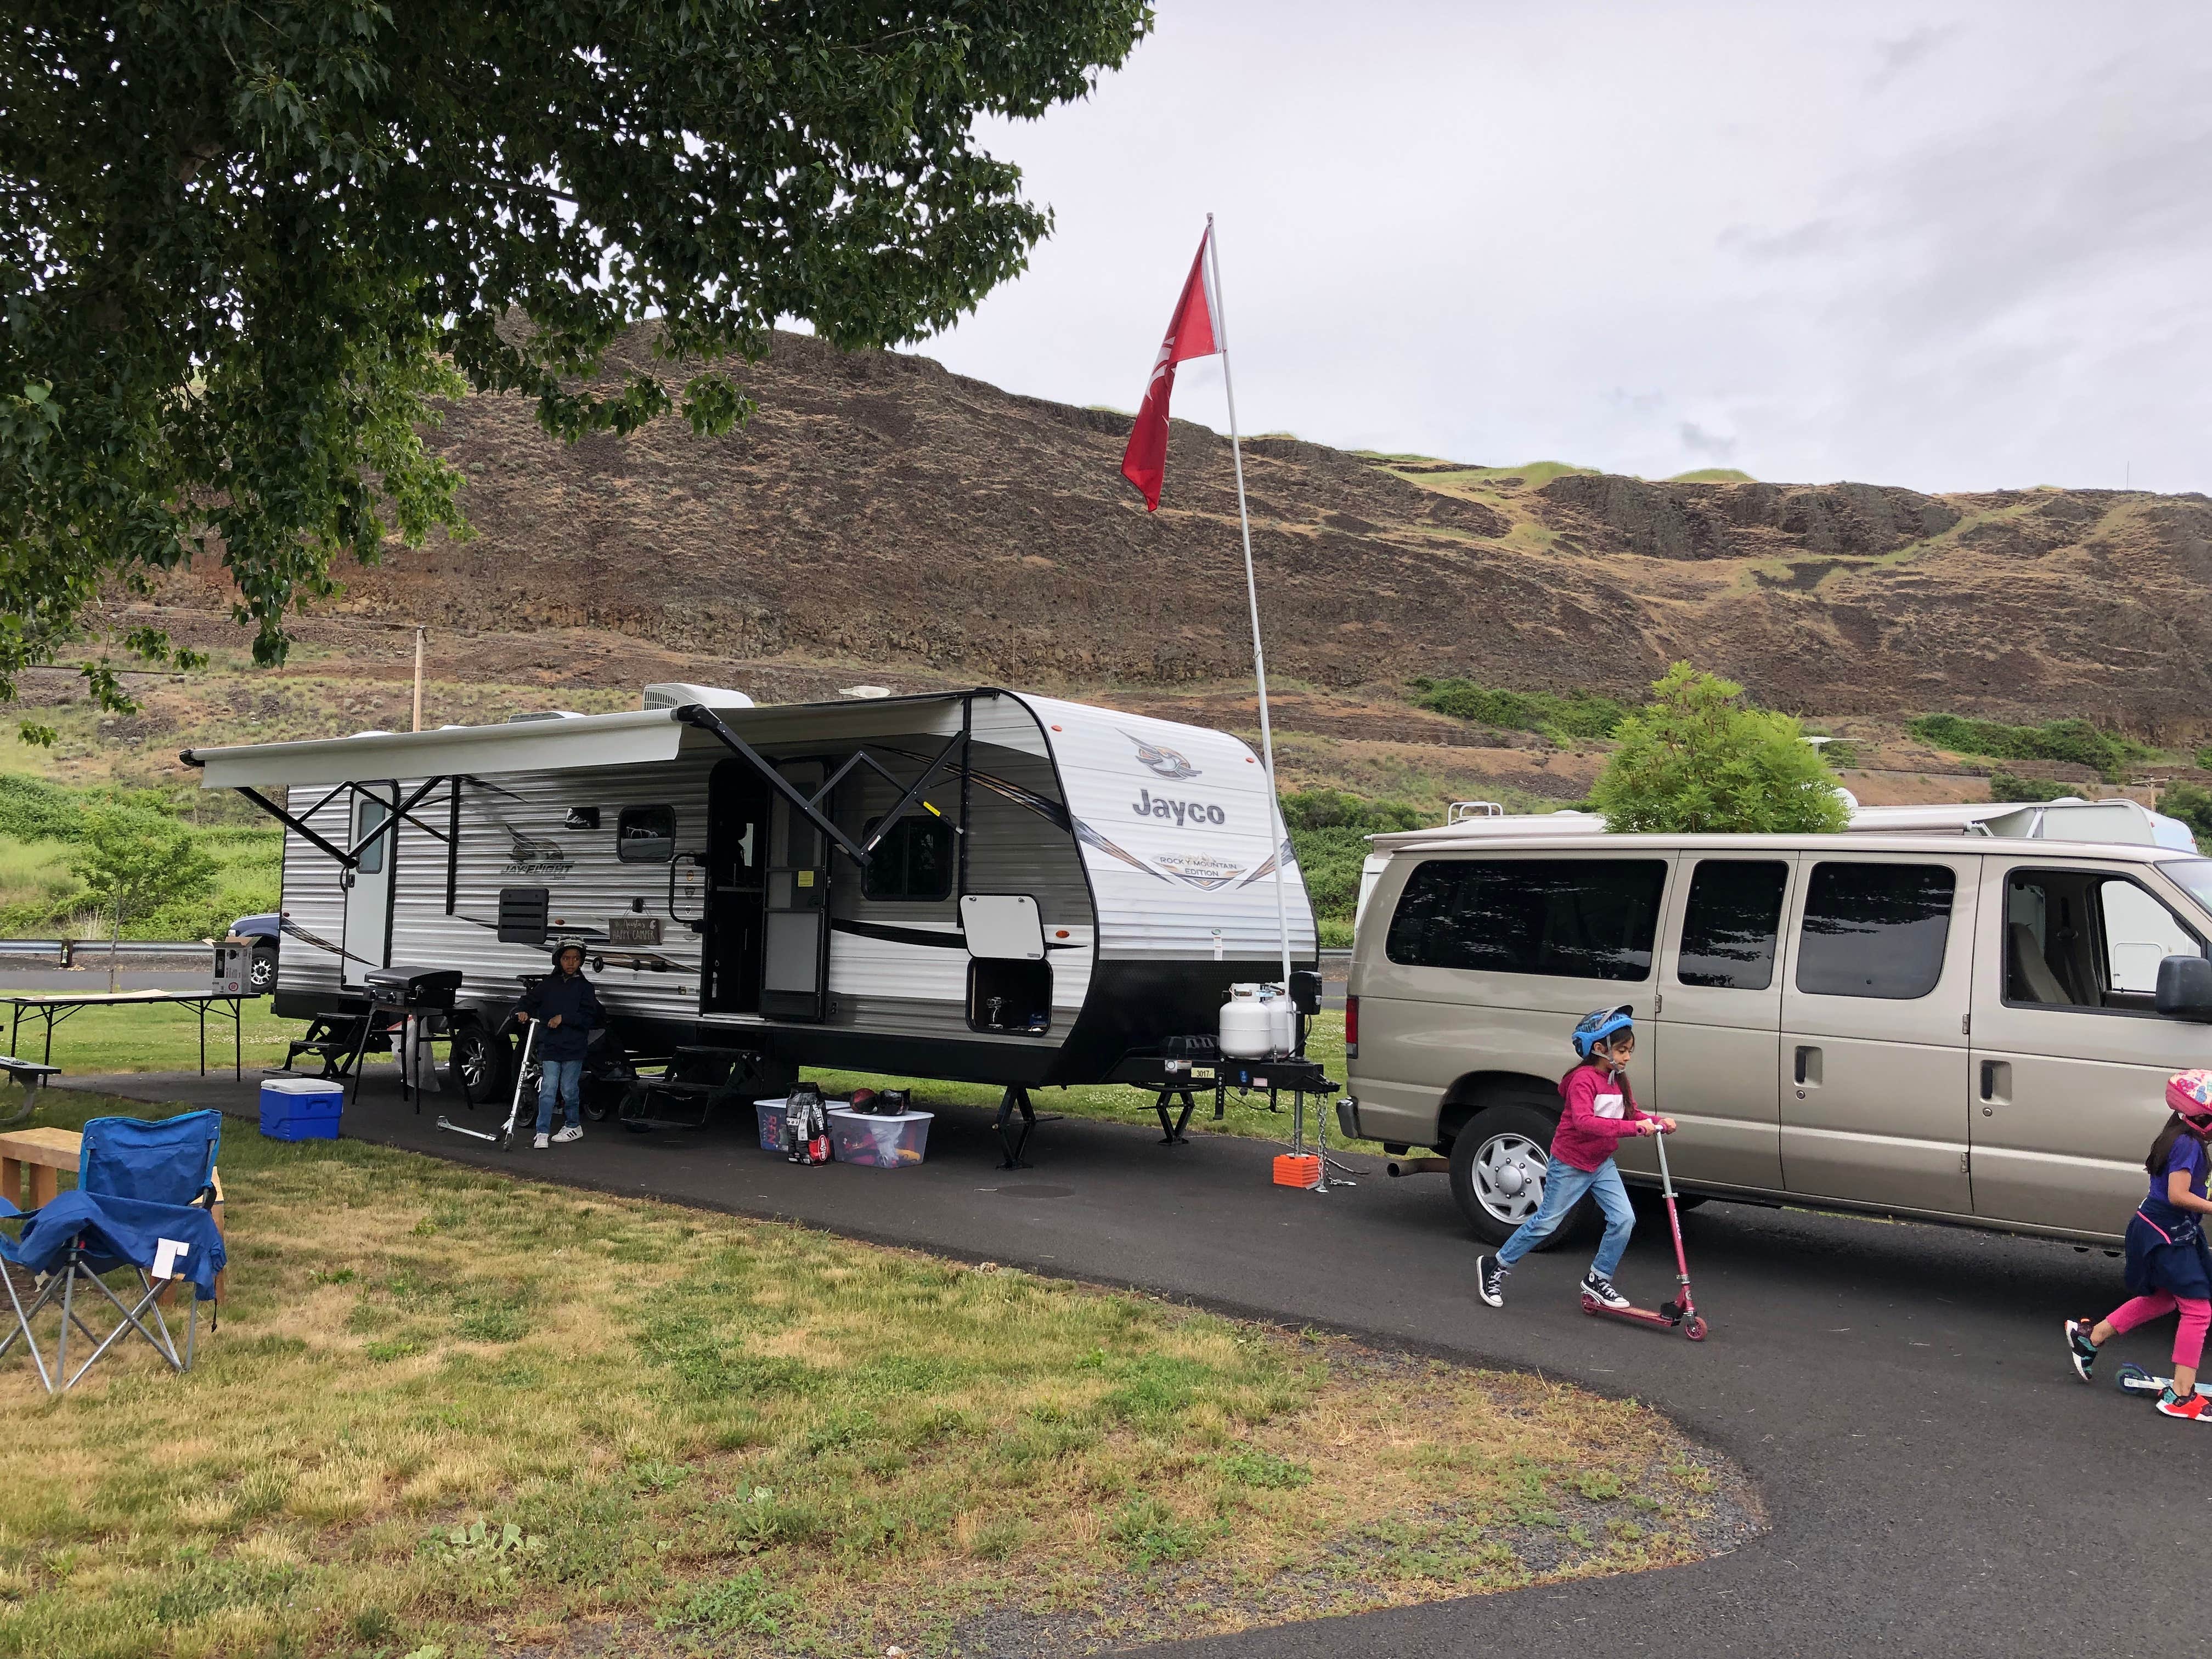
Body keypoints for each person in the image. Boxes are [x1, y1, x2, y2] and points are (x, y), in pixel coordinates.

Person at [1476, 1005, 1675, 1310]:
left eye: (1629, 1051)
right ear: (1599, 1048)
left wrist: (1657, 1121)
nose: (1627, 1057)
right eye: (1622, 1051)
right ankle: (1495, 1265)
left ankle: (1598, 1279)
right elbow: (1585, 1122)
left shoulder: (1618, 1078)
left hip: (1601, 1163)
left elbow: (1631, 1114)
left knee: (1624, 1219)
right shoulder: (1583, 1080)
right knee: (1546, 1224)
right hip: (1570, 1163)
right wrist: (1636, 1128)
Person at [2065, 1070, 2212, 1421]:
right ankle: (2180, 1396)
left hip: (2159, 1230)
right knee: (2198, 1310)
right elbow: (2178, 1195)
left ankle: (2090, 1336)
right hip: (2167, 1235)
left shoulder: (2177, 1132)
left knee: (2164, 1299)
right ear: (2203, 1118)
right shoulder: (2189, 1145)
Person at [516, 941, 606, 1150]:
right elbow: (529, 1000)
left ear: (582, 961)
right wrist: (521, 1011)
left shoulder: (585, 988)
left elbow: (588, 1017)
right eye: (566, 958)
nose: (571, 963)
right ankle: (542, 1131)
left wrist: (563, 1018)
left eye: (576, 959)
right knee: (548, 1089)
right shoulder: (549, 984)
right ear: (559, 960)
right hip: (551, 1045)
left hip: (574, 1047)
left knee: (568, 1090)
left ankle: (573, 1125)